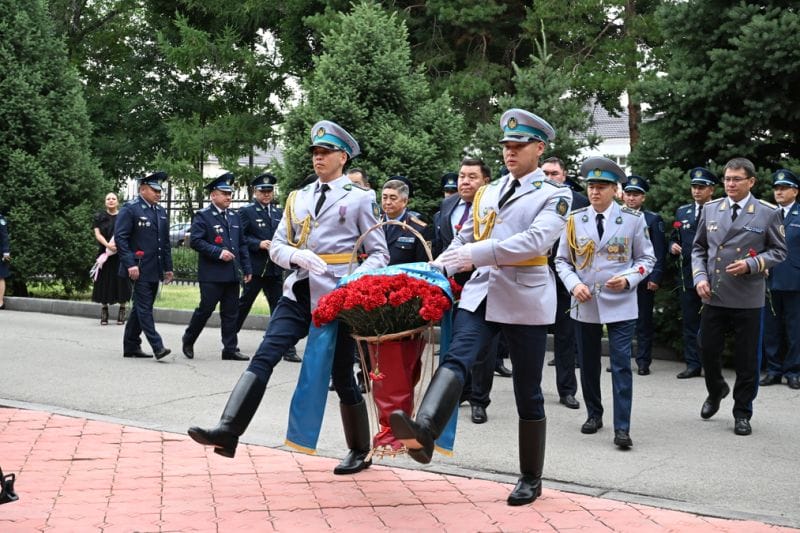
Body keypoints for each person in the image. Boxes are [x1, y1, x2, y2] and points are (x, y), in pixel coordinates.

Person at [390, 108, 570, 506]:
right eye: (506, 145)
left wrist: (472, 255)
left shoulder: (555, 194)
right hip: (482, 292)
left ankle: (530, 477)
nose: (510, 152)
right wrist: (441, 264)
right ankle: (425, 431)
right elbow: (466, 235)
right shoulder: (489, 191)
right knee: (457, 357)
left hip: (525, 297)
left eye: (519, 145)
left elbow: (534, 242)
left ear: (539, 148)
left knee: (528, 390)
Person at [188, 120, 389, 475]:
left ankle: (360, 449)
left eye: (325, 152)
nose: (318, 157)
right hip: (299, 290)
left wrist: (352, 279)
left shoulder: (360, 198)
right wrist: (298, 256)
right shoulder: (299, 197)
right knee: (266, 354)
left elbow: (379, 254)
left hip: (339, 297)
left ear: (343, 157)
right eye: (315, 152)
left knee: (342, 374)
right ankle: (229, 430)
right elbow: (279, 245)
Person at [555, 157, 656, 450]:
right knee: (588, 363)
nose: (594, 192)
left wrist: (628, 279)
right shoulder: (575, 219)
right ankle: (594, 414)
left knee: (621, 365)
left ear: (615, 190)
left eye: (601, 187)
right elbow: (562, 260)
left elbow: (646, 258)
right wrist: (574, 284)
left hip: (621, 301)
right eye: (591, 186)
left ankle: (622, 427)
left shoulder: (633, 219)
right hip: (585, 301)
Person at [692, 157, 787, 436]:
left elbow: (779, 251)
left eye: (736, 179)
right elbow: (698, 249)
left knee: (747, 359)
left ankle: (742, 412)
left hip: (747, 295)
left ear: (751, 182)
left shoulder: (767, 212)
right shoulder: (711, 209)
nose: (730, 184)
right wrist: (699, 277)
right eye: (727, 179)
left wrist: (751, 264)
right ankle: (716, 390)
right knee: (707, 349)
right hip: (715, 293)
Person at [181, 173, 252, 361]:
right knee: (206, 309)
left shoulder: (234, 216)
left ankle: (230, 349)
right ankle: (189, 339)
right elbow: (195, 241)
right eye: (224, 193)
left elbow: (242, 244)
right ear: (213, 195)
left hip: (231, 273)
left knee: (231, 312)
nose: (229, 197)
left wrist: (247, 268)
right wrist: (218, 252)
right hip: (212, 273)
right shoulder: (203, 216)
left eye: (230, 193)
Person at [235, 173, 302, 363]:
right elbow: (240, 237)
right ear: (255, 192)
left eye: (269, 191)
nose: (266, 195)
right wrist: (258, 243)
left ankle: (287, 348)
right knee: (244, 304)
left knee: (280, 307)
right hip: (256, 268)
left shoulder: (278, 212)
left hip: (274, 269)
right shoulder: (247, 212)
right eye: (262, 191)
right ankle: (230, 339)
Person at [542, 157, 589, 409]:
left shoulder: (580, 202)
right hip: (535, 275)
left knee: (565, 336)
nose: (549, 177)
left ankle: (567, 390)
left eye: (554, 173)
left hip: (566, 277)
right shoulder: (530, 199)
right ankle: (530, 390)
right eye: (545, 173)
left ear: (564, 175)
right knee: (532, 336)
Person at [114, 171, 174, 360]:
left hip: (154, 268)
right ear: (142, 190)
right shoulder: (131, 209)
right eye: (154, 190)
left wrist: (168, 267)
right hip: (137, 269)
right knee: (144, 308)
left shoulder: (160, 211)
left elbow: (164, 243)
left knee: (141, 308)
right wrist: (130, 264)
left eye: (160, 191)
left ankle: (131, 345)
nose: (158, 194)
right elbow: (121, 238)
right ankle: (158, 346)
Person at [669, 167, 718, 378]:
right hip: (688, 275)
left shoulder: (720, 210)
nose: (696, 191)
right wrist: (672, 245)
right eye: (694, 187)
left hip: (713, 276)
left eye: (701, 187)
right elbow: (675, 236)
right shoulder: (683, 212)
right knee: (690, 322)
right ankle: (693, 364)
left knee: (712, 324)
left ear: (711, 190)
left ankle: (711, 365)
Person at [621, 176, 667, 375]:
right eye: (629, 194)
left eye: (636, 195)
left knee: (643, 322)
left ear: (643, 198)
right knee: (620, 320)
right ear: (623, 196)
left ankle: (643, 361)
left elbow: (659, 250)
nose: (632, 198)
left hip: (643, 277)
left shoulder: (652, 219)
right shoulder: (616, 216)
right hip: (621, 278)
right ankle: (621, 359)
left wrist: (655, 277)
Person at [760, 168, 800, 389]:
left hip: (795, 280)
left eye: (784, 188)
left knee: (795, 330)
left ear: (795, 191)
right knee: (771, 328)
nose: (779, 192)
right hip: (770, 279)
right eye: (776, 188)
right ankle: (773, 370)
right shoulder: (768, 215)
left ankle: (793, 371)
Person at [91, 192, 132, 325]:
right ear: (105, 202)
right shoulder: (99, 217)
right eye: (108, 198)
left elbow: (128, 233)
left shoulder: (123, 216)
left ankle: (122, 310)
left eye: (113, 198)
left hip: (121, 254)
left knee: (121, 280)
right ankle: (104, 310)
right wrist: (108, 245)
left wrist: (120, 246)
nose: (111, 200)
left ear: (117, 202)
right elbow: (98, 234)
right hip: (105, 253)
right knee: (104, 281)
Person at [380, 178, 429, 264]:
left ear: (405, 201)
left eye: (393, 198)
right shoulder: (374, 225)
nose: (387, 202)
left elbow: (422, 265)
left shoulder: (418, 229)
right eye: (384, 198)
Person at [0, 211, 9, 310]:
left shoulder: (0, 219)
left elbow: (4, 235)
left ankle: (0, 302)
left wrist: (6, 251)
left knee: (0, 277)